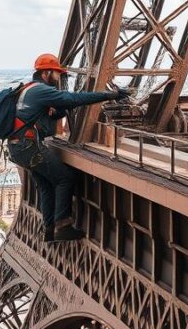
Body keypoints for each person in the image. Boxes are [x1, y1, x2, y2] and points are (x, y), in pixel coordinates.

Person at [7, 53, 130, 242]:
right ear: (47, 73)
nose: (59, 78)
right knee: (65, 178)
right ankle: (62, 226)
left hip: (18, 148)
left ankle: (49, 229)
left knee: (47, 185)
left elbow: (40, 118)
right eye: (57, 74)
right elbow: (72, 98)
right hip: (29, 147)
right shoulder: (41, 90)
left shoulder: (27, 90)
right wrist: (110, 95)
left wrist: (59, 111)